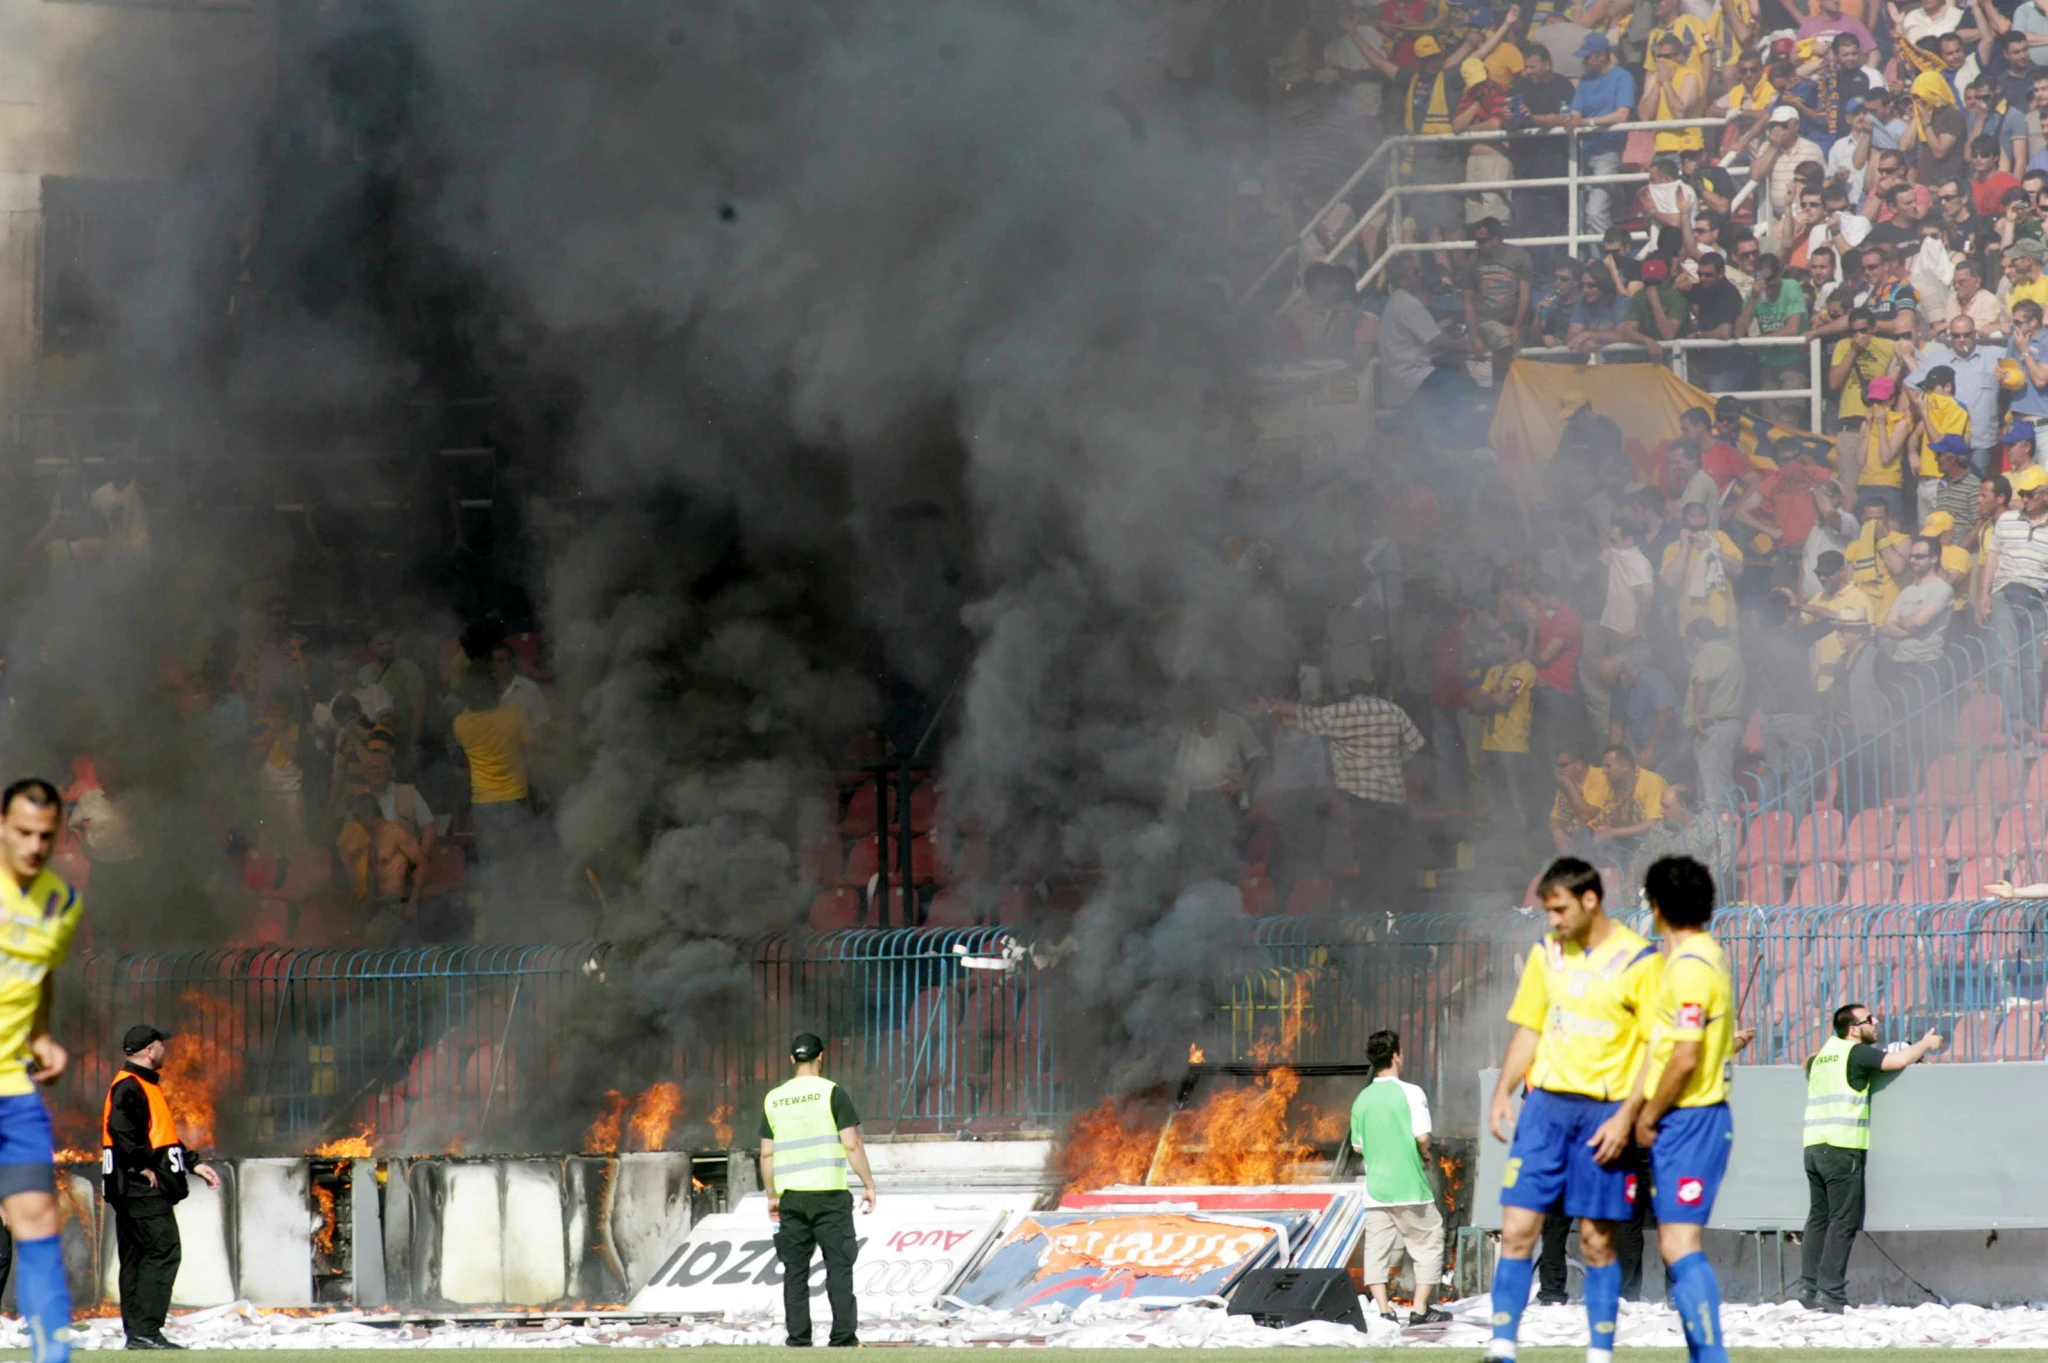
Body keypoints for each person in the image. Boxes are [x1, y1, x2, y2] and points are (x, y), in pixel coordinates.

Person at [1485, 858, 1660, 1363]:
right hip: (1544, 1109)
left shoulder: (1638, 960)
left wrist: (1627, 1115)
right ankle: (1502, 1347)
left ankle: (1600, 1352)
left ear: (1589, 901)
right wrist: (1503, 1090)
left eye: (1559, 909)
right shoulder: (1547, 953)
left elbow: (1655, 1045)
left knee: (1596, 1240)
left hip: (1603, 1114)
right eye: (1547, 911)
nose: (1552, 920)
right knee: (1518, 1228)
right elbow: (1530, 1027)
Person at [1630, 857, 1753, 1363]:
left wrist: (1646, 1114)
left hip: (1692, 1118)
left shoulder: (1690, 967)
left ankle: (1712, 1357)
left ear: (1657, 908)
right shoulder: (1700, 958)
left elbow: (1685, 1054)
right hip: (1691, 1118)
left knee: (1680, 1244)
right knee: (1674, 1244)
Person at [0, 780, 82, 1363]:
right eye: (23, 832)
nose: (34, 846)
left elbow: (43, 973)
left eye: (45, 836)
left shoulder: (61, 903)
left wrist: (43, 1034)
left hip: (13, 1088)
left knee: (36, 1222)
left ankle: (52, 1357)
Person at [1795, 1004, 1944, 1312]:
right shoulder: (1857, 1054)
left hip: (1813, 1147)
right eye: (1869, 1020)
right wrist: (1926, 1045)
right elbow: (1899, 1059)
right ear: (1853, 1029)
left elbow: (1806, 1061)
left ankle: (1808, 1289)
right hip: (1841, 1147)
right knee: (1842, 1222)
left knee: (1818, 1218)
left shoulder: (1825, 1054)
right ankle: (1831, 1293)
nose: (1876, 1023)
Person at [101, 1025, 221, 1350]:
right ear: (151, 1049)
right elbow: (121, 1128)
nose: (165, 1050)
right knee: (164, 1249)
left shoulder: (139, 1085)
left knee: (137, 1257)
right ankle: (146, 1332)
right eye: (161, 1045)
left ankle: (138, 1334)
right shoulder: (132, 1086)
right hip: (140, 1188)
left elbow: (162, 1138)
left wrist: (193, 1163)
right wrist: (142, 1165)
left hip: (126, 1189)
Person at [760, 1032, 878, 1349]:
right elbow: (851, 1144)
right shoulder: (832, 1093)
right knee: (839, 1268)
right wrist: (868, 1184)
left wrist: (772, 1195)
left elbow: (767, 1154)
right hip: (830, 1196)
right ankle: (843, 1339)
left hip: (791, 1199)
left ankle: (798, 1339)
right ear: (821, 1057)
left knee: (795, 1271)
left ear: (791, 1060)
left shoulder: (774, 1098)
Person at [1266, 681, 1427, 907]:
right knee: (1395, 866)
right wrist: (1392, 760)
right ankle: (1397, 923)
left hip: (1364, 804)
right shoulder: (1394, 711)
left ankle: (1379, 923)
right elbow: (1415, 744)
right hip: (1394, 803)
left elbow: (1305, 715)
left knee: (1372, 869)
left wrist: (1273, 706)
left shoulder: (1345, 713)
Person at [1349, 1031, 1451, 1324]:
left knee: (1377, 1251)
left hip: (1376, 1189)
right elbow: (1423, 1136)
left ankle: (1384, 1310)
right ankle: (1420, 1309)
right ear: (1395, 1055)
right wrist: (1426, 1153)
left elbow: (1358, 1145)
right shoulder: (1411, 1092)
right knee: (1430, 1240)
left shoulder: (1362, 1098)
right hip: (1408, 1188)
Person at [451, 673, 537, 905]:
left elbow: (464, 759)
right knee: (522, 864)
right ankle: (528, 917)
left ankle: (497, 919)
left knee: (491, 867)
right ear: (497, 692)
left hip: (483, 804)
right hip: (515, 799)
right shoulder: (515, 717)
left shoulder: (461, 724)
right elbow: (532, 756)